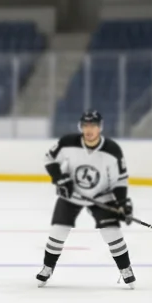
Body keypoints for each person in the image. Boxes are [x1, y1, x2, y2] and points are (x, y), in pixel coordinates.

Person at [37, 109, 135, 288]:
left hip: (101, 196)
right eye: (85, 126)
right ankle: (47, 267)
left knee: (112, 232)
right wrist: (60, 178)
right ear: (80, 127)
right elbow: (49, 159)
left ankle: (126, 269)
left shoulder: (112, 151)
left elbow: (119, 180)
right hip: (72, 194)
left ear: (100, 128)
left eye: (93, 126)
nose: (89, 130)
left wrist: (122, 204)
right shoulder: (68, 143)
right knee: (58, 231)